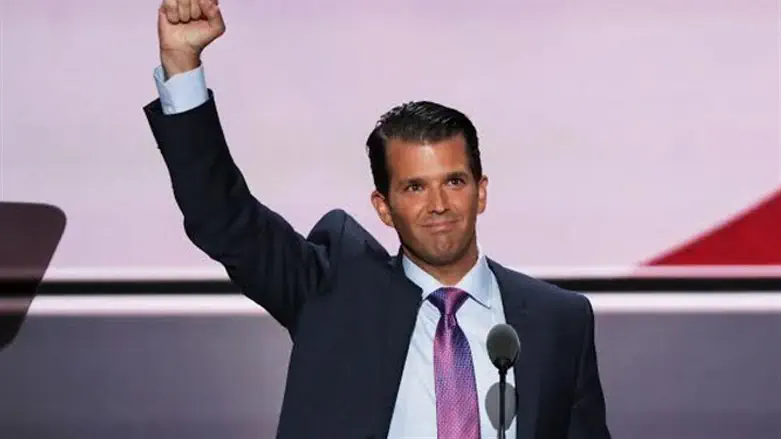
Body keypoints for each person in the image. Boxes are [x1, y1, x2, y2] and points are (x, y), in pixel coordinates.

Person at [143, 1, 612, 438]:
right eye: (414, 187)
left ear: (481, 191)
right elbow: (223, 218)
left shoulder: (559, 322)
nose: (439, 204)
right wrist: (182, 67)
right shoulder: (333, 293)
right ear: (383, 207)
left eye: (453, 181)